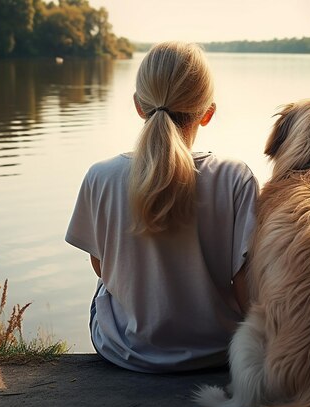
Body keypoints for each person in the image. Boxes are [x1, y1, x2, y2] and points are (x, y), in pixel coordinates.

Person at [65, 41, 259, 373]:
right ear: (208, 113)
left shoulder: (101, 176)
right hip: (218, 350)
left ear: (139, 106)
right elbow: (246, 287)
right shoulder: (235, 177)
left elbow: (101, 267)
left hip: (127, 349)